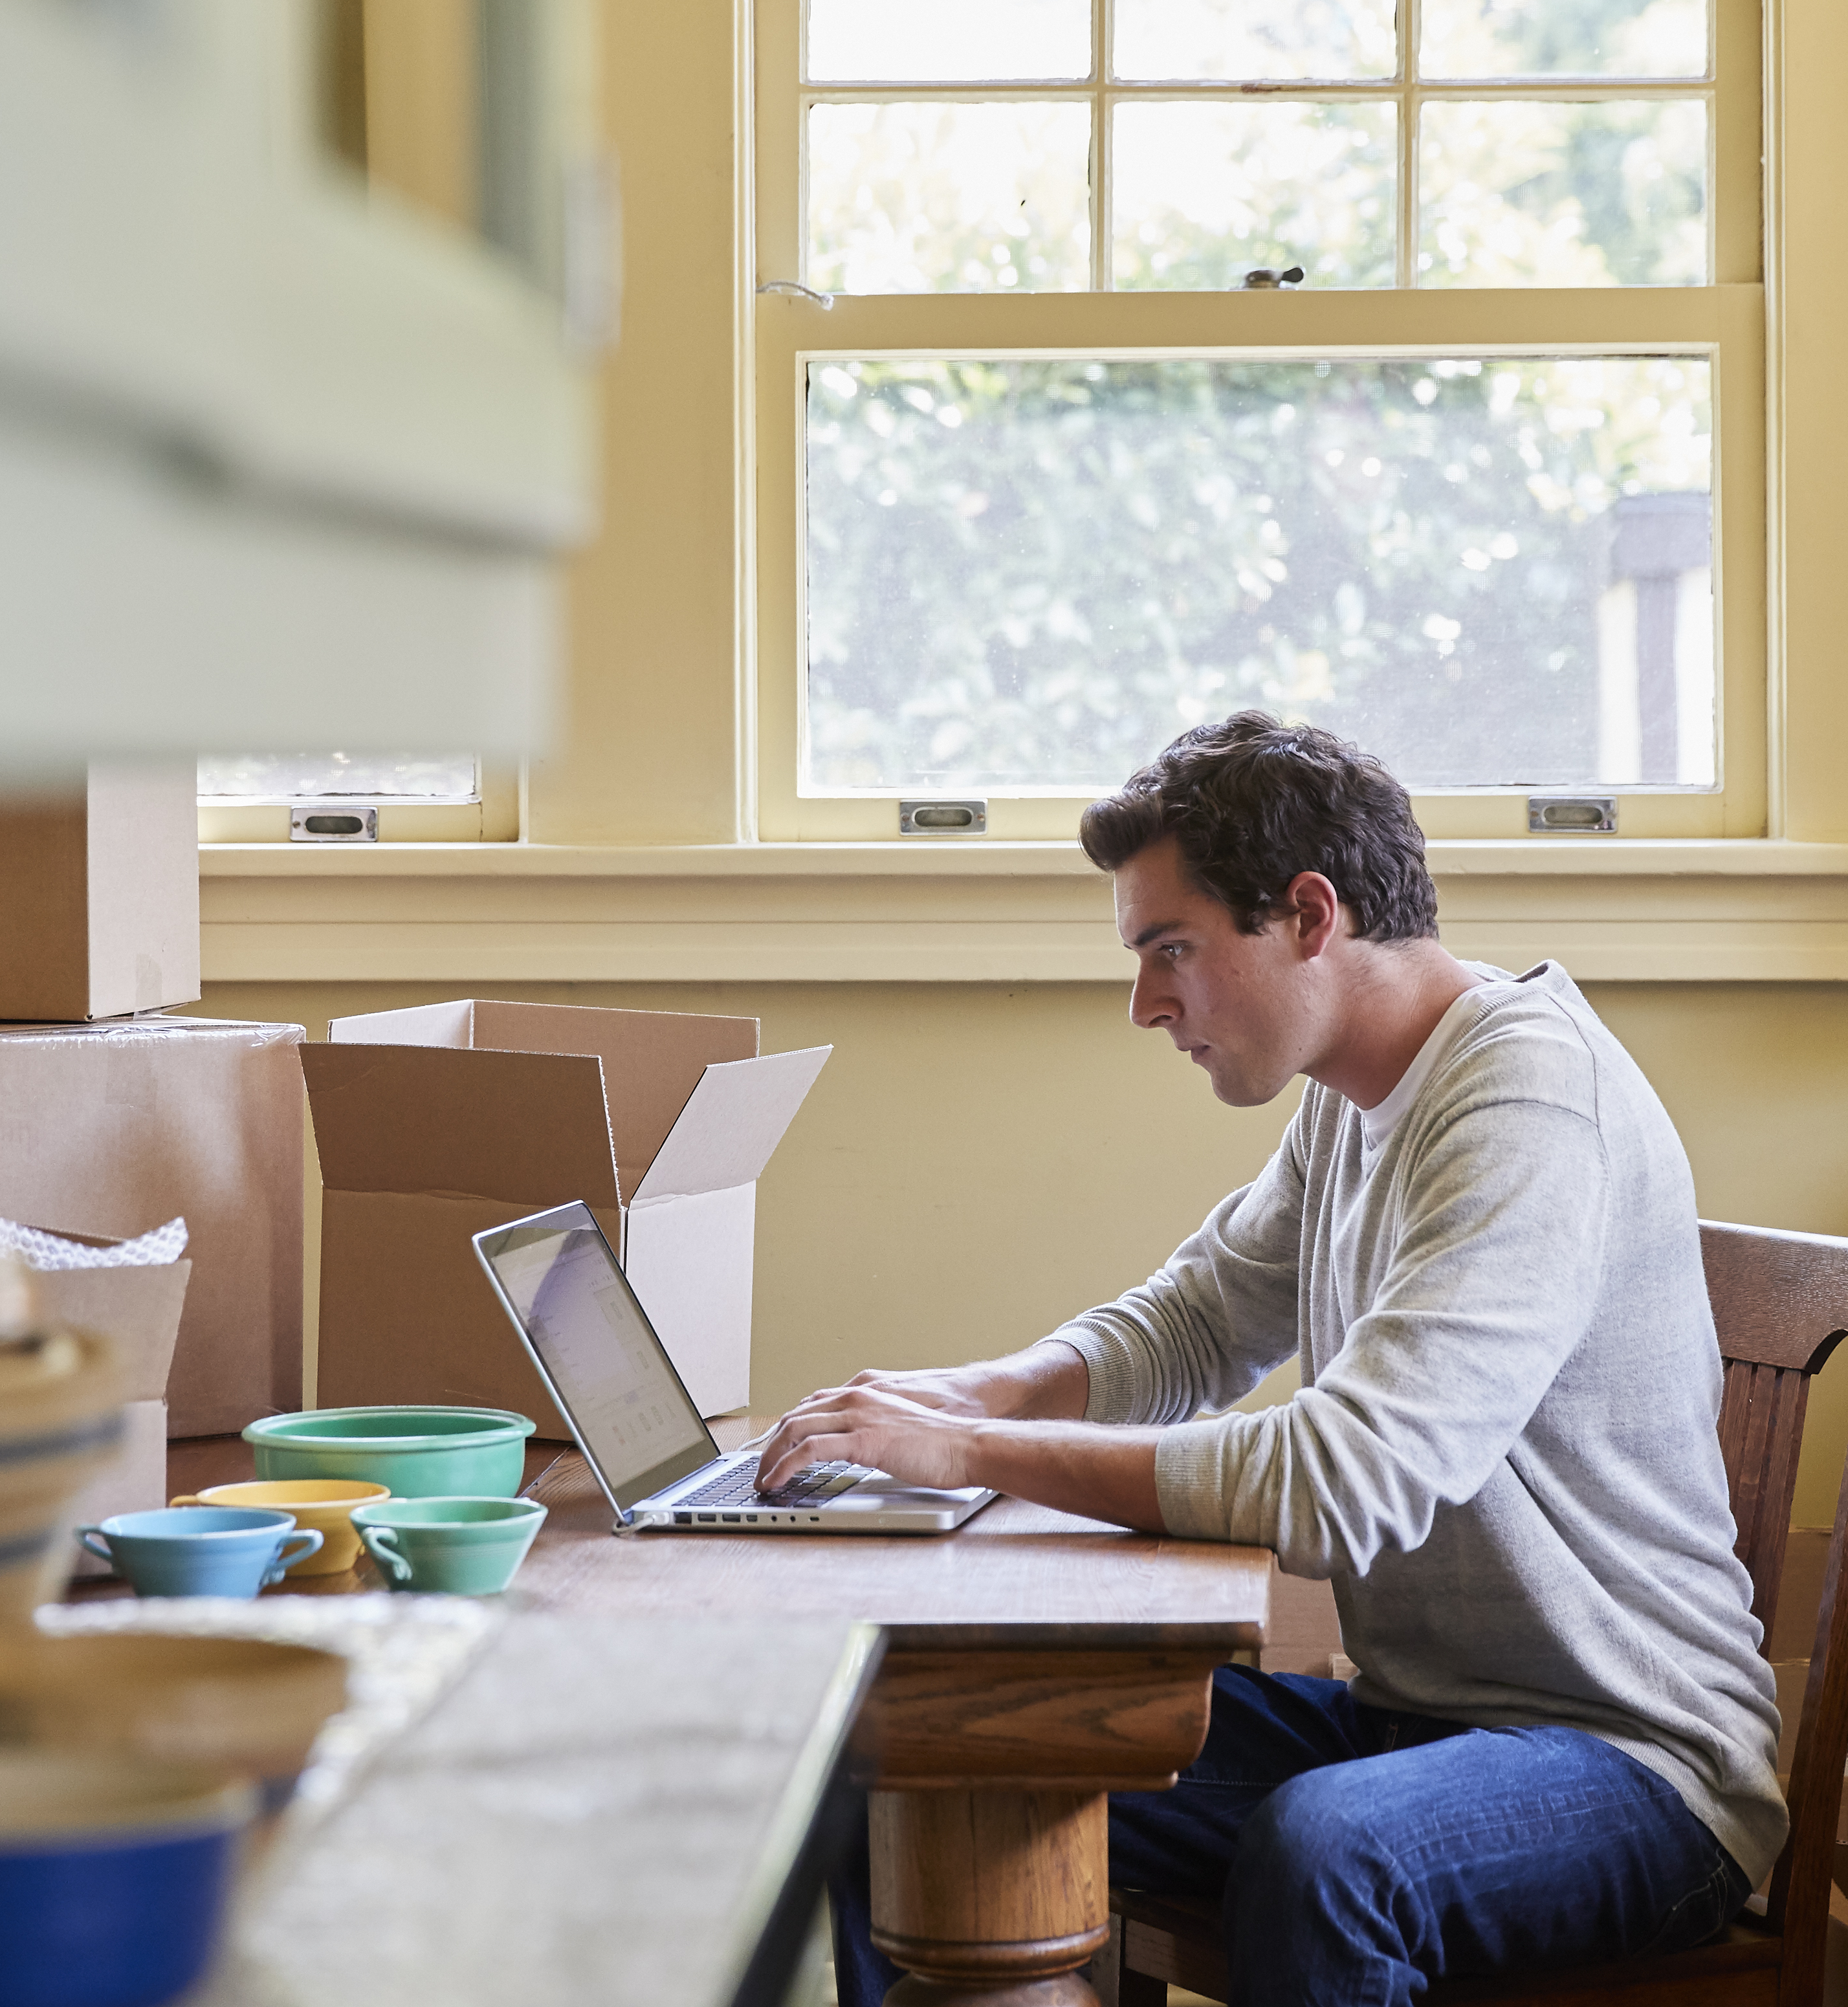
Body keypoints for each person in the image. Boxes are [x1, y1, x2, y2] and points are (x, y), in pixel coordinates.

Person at [762, 712, 1784, 2006]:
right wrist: (970, 1392)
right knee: (913, 1755)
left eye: (1169, 949)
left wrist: (966, 1453)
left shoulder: (1523, 1098)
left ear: (1309, 913)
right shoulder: (1353, 1097)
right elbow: (1195, 1321)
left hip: (1638, 1768)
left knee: (1326, 1855)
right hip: (1414, 1721)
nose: (1145, 1004)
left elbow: (1350, 1476)